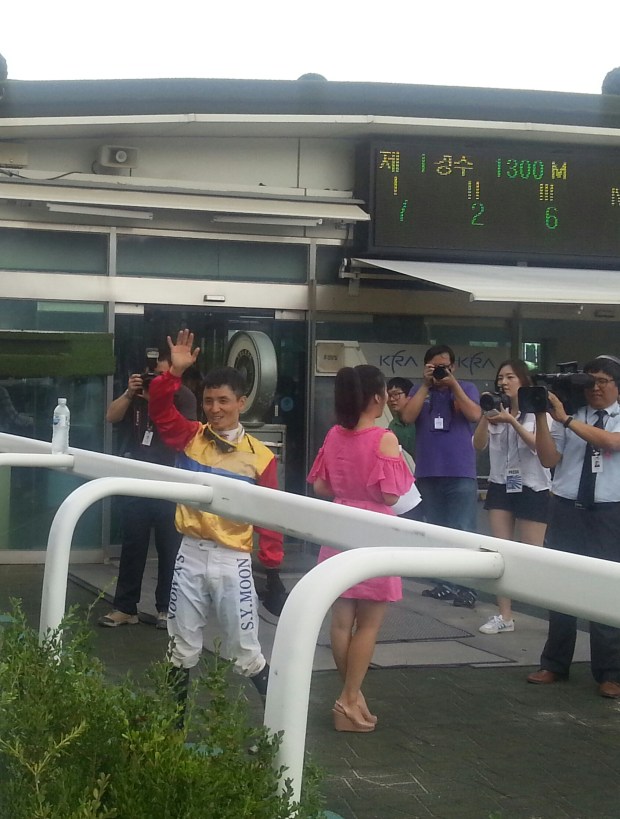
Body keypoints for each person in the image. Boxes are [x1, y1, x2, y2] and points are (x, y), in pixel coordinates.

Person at [148, 330, 284, 712]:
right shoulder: (190, 436)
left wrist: (271, 569)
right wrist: (173, 373)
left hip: (233, 561)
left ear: (242, 402)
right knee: (180, 648)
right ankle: (170, 737)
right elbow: (160, 410)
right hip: (188, 554)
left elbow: (270, 517)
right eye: (209, 400)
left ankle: (282, 730)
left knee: (247, 652)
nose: (215, 408)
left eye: (223, 400)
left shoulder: (261, 458)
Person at [308, 365, 414, 732]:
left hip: (339, 526)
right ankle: (348, 699)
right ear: (377, 396)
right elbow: (391, 493)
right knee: (368, 624)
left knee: (341, 622)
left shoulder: (334, 434)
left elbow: (321, 487)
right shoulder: (384, 438)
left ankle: (351, 699)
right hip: (374, 528)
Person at [527, 355, 620, 698]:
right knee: (560, 585)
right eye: (589, 381)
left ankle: (611, 672)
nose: (594, 388)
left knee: (606, 587)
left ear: (617, 386)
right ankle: (554, 663)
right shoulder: (571, 416)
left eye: (603, 382)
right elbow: (549, 459)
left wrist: (564, 418)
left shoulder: (595, 419)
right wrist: (541, 414)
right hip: (566, 506)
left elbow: (610, 442)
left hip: (609, 511)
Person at [98, 350, 197, 629]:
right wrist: (130, 394)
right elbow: (111, 416)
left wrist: (159, 401)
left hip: (171, 481)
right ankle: (125, 607)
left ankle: (166, 608)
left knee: (169, 547)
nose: (156, 380)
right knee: (133, 545)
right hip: (138, 480)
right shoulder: (137, 396)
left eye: (162, 375)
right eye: (152, 375)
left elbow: (185, 436)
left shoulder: (184, 397)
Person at [473, 360, 551, 634]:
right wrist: (486, 413)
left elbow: (539, 448)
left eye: (510, 377)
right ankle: (504, 615)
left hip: (533, 485)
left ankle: (549, 607)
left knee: (532, 553)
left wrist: (511, 422)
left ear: (523, 381)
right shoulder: (496, 410)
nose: (504, 382)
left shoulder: (539, 413)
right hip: (501, 484)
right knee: (499, 551)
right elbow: (478, 445)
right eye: (500, 377)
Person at [400, 344, 482, 608]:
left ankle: (467, 588)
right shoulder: (419, 391)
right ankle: (444, 584)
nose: (441, 371)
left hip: (460, 472)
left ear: (454, 367)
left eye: (445, 366)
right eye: (435, 366)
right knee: (437, 533)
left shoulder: (466, 388)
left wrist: (452, 384)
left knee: (463, 531)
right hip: (429, 473)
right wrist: (425, 385)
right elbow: (407, 417)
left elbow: (474, 414)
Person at [387, 377, 416, 459]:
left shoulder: (422, 419)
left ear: (409, 395)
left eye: (396, 394)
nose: (392, 399)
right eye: (389, 395)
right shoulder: (393, 426)